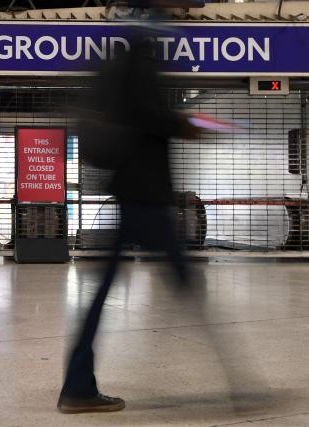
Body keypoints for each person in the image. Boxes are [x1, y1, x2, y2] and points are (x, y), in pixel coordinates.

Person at [57, 29, 200, 413]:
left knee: (105, 294)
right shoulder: (142, 47)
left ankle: (77, 387)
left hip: (135, 189)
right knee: (191, 289)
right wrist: (182, 124)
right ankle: (241, 387)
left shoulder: (134, 47)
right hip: (145, 193)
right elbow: (143, 113)